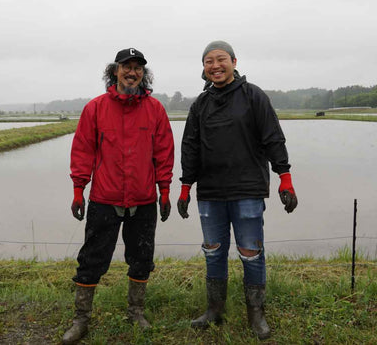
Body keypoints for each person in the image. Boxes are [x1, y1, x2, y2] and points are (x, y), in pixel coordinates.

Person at [177, 40, 297, 339]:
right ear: (203, 68)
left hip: (247, 190)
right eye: (208, 61)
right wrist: (184, 186)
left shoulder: (253, 95)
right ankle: (214, 311)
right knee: (213, 253)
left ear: (233, 61)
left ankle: (256, 315)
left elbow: (272, 136)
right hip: (211, 193)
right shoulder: (200, 105)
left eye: (221, 59)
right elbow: (190, 146)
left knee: (251, 253)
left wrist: (285, 176)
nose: (215, 66)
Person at [63, 47, 174, 344]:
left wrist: (164, 191)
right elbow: (83, 150)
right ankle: (81, 319)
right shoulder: (95, 108)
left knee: (141, 258)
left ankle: (136, 311)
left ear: (143, 74)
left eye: (138, 68)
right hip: (104, 199)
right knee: (91, 259)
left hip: (143, 200)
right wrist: (78, 189)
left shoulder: (156, 110)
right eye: (127, 66)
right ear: (115, 71)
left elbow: (164, 154)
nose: (132, 72)